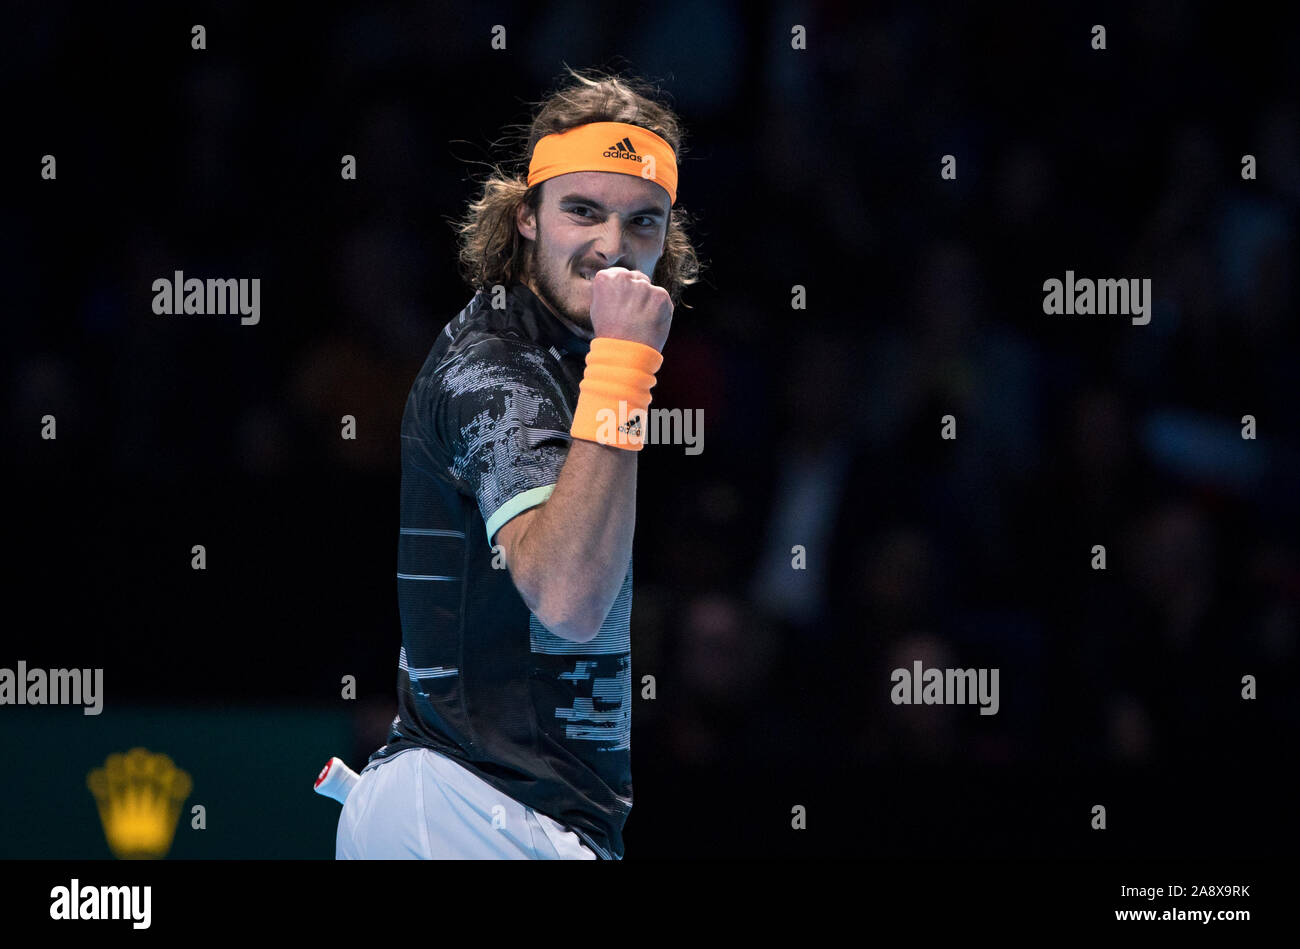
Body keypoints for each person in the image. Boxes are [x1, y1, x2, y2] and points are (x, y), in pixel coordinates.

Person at [335, 67, 700, 859]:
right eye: (582, 211)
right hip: (470, 809)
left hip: (493, 814)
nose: (614, 246)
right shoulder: (497, 369)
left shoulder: (562, 366)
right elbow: (567, 597)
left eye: (644, 221)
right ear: (526, 216)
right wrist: (626, 364)